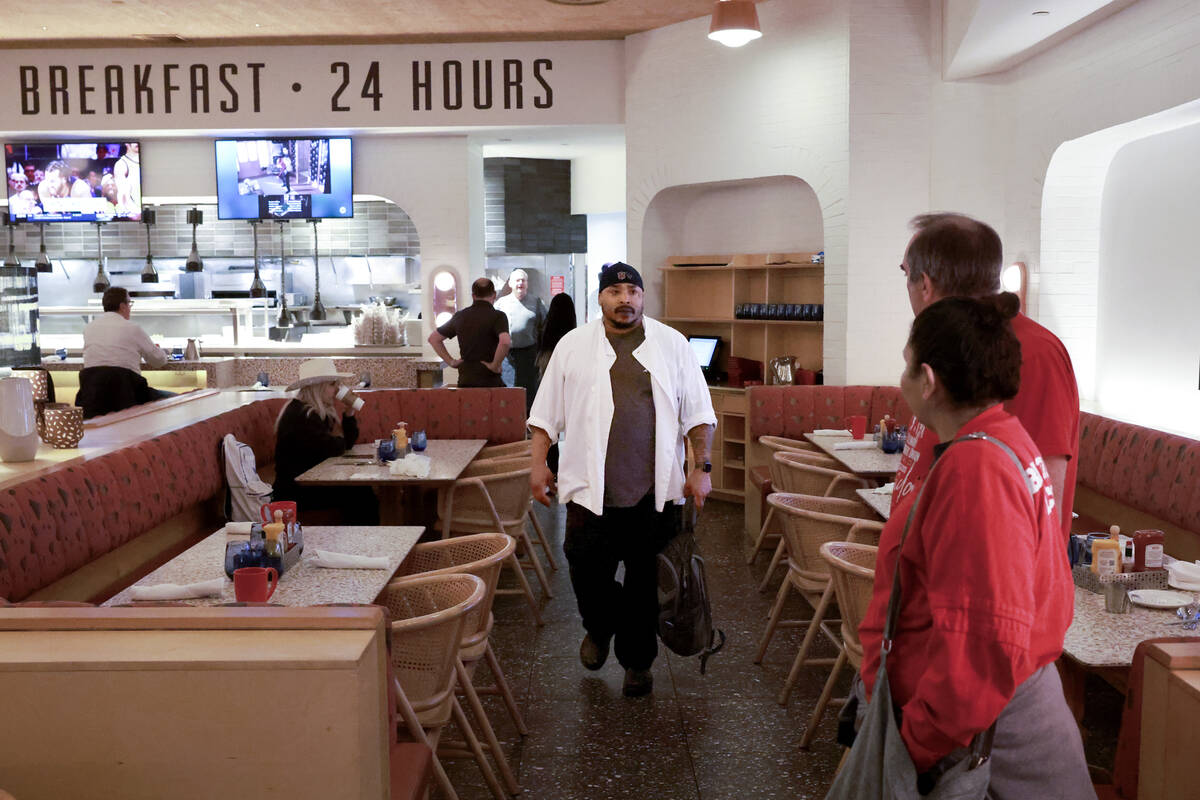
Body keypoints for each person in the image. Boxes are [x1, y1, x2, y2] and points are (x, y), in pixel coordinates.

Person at [857, 293, 1090, 798]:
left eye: (905, 367)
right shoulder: (1005, 438)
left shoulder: (976, 469)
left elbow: (982, 646)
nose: (901, 382)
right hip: (994, 719)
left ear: (929, 381)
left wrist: (914, 747)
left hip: (985, 741)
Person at [528, 262, 717, 697]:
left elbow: (699, 414)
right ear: (600, 298)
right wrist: (538, 464)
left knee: (644, 583)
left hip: (654, 494)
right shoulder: (573, 346)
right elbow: (544, 415)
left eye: (633, 290)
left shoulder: (672, 345)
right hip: (588, 491)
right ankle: (599, 627)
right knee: (585, 573)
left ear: (643, 298)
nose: (625, 298)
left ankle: (638, 664)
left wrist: (699, 468)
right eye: (615, 291)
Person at [892, 212, 1080, 538]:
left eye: (906, 274)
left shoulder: (1033, 353)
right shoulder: (950, 345)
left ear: (925, 284)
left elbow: (1042, 495)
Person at [272, 358, 379, 525]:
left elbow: (344, 444)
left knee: (361, 490)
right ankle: (364, 544)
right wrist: (340, 442)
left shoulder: (311, 411)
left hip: (308, 484)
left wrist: (349, 412)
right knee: (360, 494)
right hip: (295, 492)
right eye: (332, 385)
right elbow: (333, 447)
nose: (336, 390)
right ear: (318, 387)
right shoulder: (301, 415)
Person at [77, 287, 172, 418]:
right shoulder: (132, 328)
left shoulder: (88, 328)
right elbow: (158, 361)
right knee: (177, 399)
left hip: (94, 402)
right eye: (129, 303)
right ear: (122, 306)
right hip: (131, 398)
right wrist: (164, 352)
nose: (130, 307)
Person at [428, 277, 511, 388]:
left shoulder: (460, 316)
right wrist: (495, 365)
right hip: (489, 380)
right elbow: (505, 342)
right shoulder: (498, 316)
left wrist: (451, 362)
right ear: (494, 295)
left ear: (473, 296)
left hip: (466, 378)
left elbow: (433, 339)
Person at [495, 268, 547, 414]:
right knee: (509, 390)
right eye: (517, 280)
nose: (520, 283)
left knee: (529, 391)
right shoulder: (501, 303)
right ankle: (508, 424)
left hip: (529, 354)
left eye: (523, 280)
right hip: (507, 356)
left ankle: (529, 425)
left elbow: (545, 326)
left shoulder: (536, 302)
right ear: (511, 283)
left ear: (527, 284)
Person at [535, 292, 577, 476]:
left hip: (547, 367)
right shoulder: (574, 336)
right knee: (574, 426)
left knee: (551, 427)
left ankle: (553, 469)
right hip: (570, 383)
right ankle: (572, 470)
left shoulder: (546, 330)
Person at [113, 143, 140, 215]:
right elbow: (122, 194)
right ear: (127, 144)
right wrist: (137, 212)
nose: (136, 144)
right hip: (135, 212)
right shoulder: (121, 164)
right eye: (134, 142)